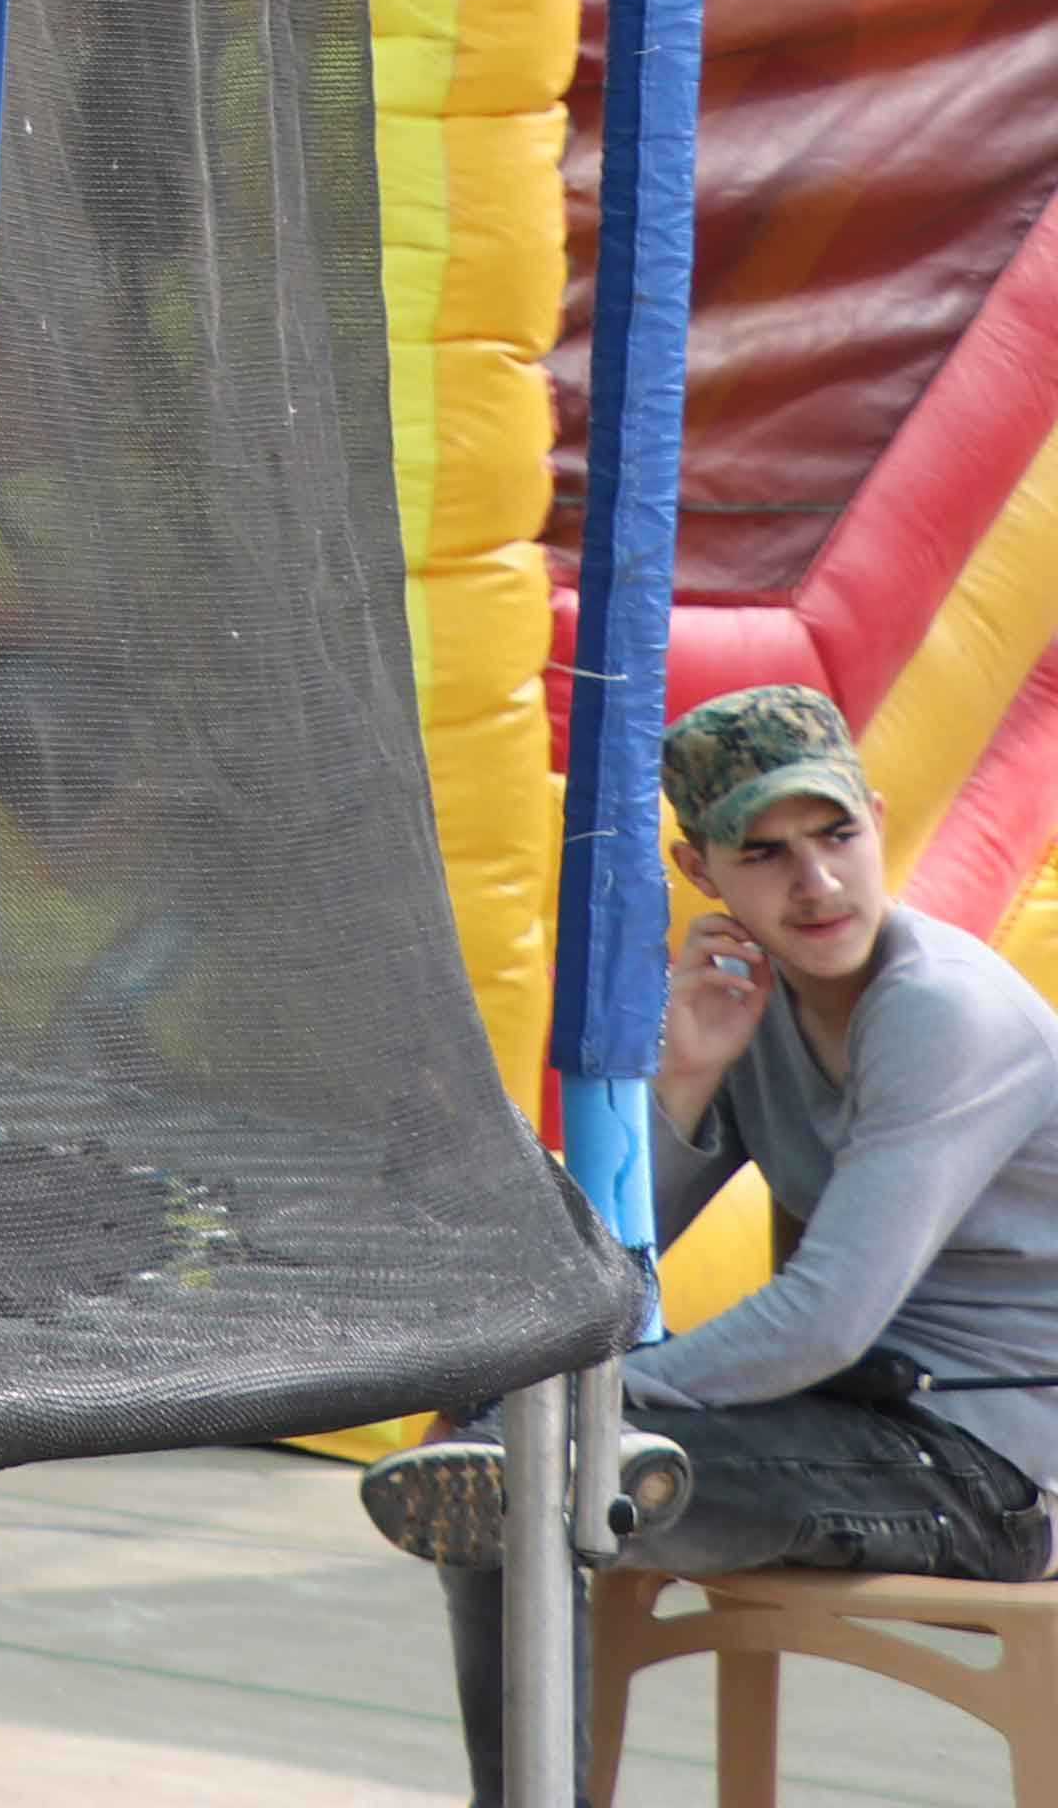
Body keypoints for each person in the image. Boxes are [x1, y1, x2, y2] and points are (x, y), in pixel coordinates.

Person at [361, 684, 1058, 1796]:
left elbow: (824, 1320)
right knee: (502, 1456)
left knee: (518, 1472)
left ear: (878, 821)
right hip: (850, 1420)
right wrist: (686, 1073)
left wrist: (589, 1398)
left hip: (992, 1470)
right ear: (701, 872)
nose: (816, 881)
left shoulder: (947, 1012)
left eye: (836, 834)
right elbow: (595, 1268)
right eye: (765, 852)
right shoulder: (752, 1005)